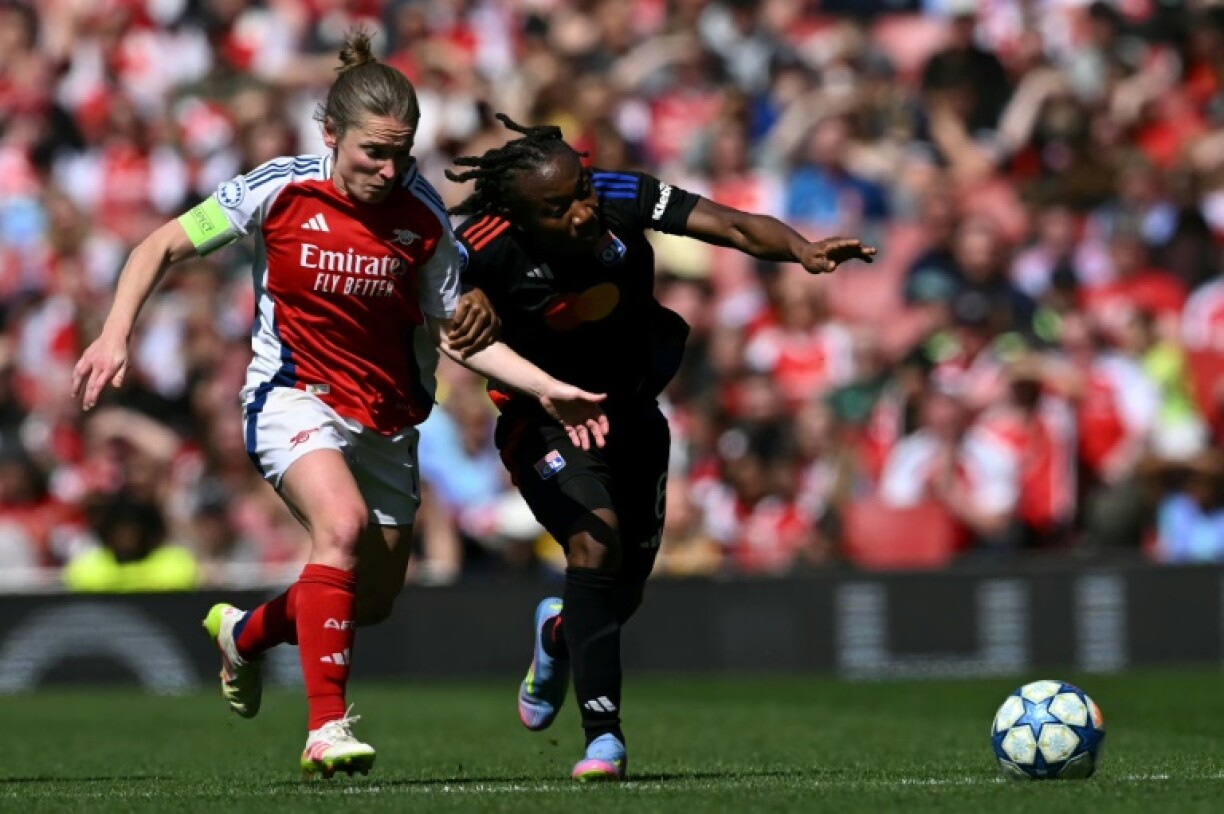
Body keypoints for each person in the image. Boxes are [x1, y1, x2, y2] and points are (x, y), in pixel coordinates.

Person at [71, 34, 610, 780]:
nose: (389, 171)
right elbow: (161, 245)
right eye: (373, 155)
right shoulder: (277, 188)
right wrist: (115, 332)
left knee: (372, 600)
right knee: (342, 528)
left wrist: (543, 384)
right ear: (330, 134)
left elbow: (459, 334)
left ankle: (247, 635)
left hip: (387, 420)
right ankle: (327, 728)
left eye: (402, 154)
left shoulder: (422, 218)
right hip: (291, 396)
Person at [446, 114, 875, 781]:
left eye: (582, 191)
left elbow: (730, 224)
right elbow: (427, 278)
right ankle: (603, 740)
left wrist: (800, 249)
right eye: (559, 208)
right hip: (545, 417)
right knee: (595, 542)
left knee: (617, 598)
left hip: (633, 410)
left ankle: (560, 634)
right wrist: (463, 291)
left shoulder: (622, 196)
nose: (584, 212)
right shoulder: (483, 239)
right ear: (521, 216)